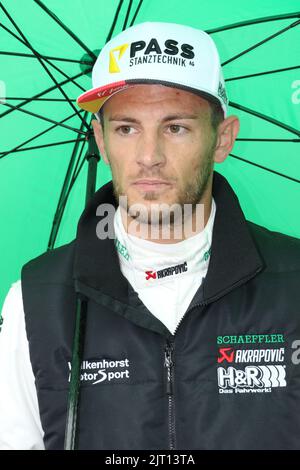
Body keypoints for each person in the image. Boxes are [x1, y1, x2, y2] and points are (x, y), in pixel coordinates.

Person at [0, 21, 300, 451]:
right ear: (101, 142)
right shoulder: (35, 299)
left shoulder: (293, 282)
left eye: (175, 127)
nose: (149, 157)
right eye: (126, 128)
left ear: (222, 139)